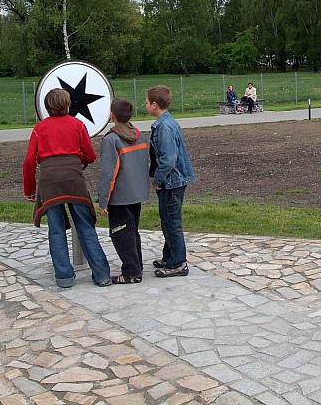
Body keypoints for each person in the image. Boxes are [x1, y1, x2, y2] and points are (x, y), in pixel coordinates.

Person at [23, 88, 111, 288]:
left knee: (56, 230)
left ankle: (64, 277)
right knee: (85, 227)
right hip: (74, 179)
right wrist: (78, 162)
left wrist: (29, 189)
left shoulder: (39, 128)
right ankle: (102, 275)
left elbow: (29, 161)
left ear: (46, 107)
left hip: (49, 182)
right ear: (68, 104)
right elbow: (90, 155)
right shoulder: (78, 125)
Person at [98, 98, 150, 284]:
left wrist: (103, 200)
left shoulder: (111, 140)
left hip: (119, 198)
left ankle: (131, 273)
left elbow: (107, 173)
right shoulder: (140, 135)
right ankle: (137, 266)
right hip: (137, 194)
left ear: (112, 115)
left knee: (121, 234)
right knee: (132, 232)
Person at [145, 85, 195, 277]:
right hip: (173, 181)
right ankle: (169, 256)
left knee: (172, 222)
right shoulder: (166, 122)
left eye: (147, 102)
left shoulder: (164, 127)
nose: (146, 105)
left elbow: (168, 159)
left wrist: (158, 179)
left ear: (155, 104)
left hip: (171, 182)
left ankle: (178, 263)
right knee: (167, 219)